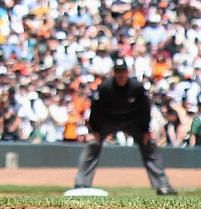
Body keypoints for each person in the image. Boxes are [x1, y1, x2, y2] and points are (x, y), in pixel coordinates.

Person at [71, 57, 177, 196]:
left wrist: (145, 130)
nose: (121, 75)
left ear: (127, 72)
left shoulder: (136, 88)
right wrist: (95, 130)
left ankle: (162, 185)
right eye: (118, 72)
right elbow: (96, 109)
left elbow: (144, 109)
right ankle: (82, 184)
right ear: (114, 73)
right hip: (109, 120)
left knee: (149, 145)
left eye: (123, 72)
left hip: (132, 121)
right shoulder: (106, 88)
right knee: (93, 144)